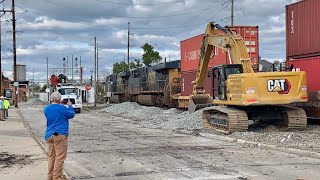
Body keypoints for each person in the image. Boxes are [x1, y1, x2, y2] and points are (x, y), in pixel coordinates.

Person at [44, 92, 75, 180]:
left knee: (51, 156)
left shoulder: (46, 109)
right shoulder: (62, 108)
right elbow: (71, 114)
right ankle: (56, 177)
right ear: (60, 99)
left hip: (49, 134)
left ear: (51, 99)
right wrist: (70, 106)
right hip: (60, 134)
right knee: (60, 157)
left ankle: (50, 176)